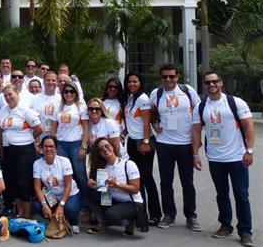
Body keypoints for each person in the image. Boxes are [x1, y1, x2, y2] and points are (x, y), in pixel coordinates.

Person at [191, 71, 255, 247]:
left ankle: (245, 232)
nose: (211, 85)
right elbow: (196, 131)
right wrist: (195, 154)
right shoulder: (201, 106)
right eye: (207, 82)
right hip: (215, 158)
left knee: (241, 195)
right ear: (204, 85)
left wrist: (249, 151)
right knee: (222, 194)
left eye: (214, 81)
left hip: (237, 157)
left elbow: (249, 127)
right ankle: (225, 225)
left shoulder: (235, 103)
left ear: (221, 83)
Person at [150, 63, 202, 231]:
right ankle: (169, 215)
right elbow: (151, 113)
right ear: (161, 78)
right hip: (164, 143)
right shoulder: (156, 93)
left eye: (171, 76)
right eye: (165, 77)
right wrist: (154, 124)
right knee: (166, 182)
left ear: (177, 77)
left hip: (185, 144)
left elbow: (199, 111)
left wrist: (197, 138)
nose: (168, 79)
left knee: (187, 182)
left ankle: (191, 216)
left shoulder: (187, 91)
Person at [0, 85, 43, 218]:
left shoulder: (25, 110)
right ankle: (20, 212)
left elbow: (39, 128)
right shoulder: (3, 110)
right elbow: (1, 131)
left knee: (22, 182)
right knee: (12, 181)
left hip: (24, 150)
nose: (8, 98)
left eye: (10, 94)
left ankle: (27, 215)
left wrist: (29, 139)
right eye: (5, 96)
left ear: (17, 93)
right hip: (8, 150)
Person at [85, 137, 144, 236]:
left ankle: (130, 221)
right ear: (98, 153)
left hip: (130, 202)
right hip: (113, 199)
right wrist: (93, 185)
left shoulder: (128, 164)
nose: (104, 149)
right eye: (100, 149)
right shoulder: (102, 167)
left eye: (107, 146)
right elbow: (101, 187)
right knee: (90, 193)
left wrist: (117, 184)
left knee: (111, 214)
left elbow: (135, 189)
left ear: (113, 147)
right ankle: (102, 224)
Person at [124, 72, 161, 226]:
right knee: (135, 178)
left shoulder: (143, 99)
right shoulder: (130, 98)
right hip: (132, 141)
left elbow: (146, 122)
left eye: (135, 81)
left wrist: (146, 142)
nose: (132, 84)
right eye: (129, 82)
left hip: (144, 141)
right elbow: (132, 121)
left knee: (146, 178)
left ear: (140, 82)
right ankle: (141, 213)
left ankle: (155, 214)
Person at [50, 80, 89, 217]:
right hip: (61, 144)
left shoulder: (81, 107)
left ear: (76, 93)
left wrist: (83, 146)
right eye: (66, 91)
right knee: (64, 175)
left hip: (76, 144)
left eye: (72, 91)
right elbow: (53, 127)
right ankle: (65, 203)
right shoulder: (58, 108)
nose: (69, 94)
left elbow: (86, 127)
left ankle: (86, 204)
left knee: (81, 175)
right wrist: (53, 144)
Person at [33, 135, 80, 233]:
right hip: (52, 196)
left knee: (70, 208)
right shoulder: (37, 164)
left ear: (56, 149)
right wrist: (44, 205)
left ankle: (73, 222)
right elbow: (37, 187)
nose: (48, 149)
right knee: (37, 205)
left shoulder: (64, 161)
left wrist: (61, 205)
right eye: (45, 146)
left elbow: (68, 185)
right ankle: (55, 219)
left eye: (51, 146)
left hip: (69, 194)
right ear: (41, 148)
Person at [32, 71, 61, 139]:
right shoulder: (36, 98)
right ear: (43, 82)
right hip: (41, 136)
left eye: (53, 80)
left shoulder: (61, 99)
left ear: (56, 83)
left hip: (59, 137)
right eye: (48, 80)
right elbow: (33, 121)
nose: (51, 82)